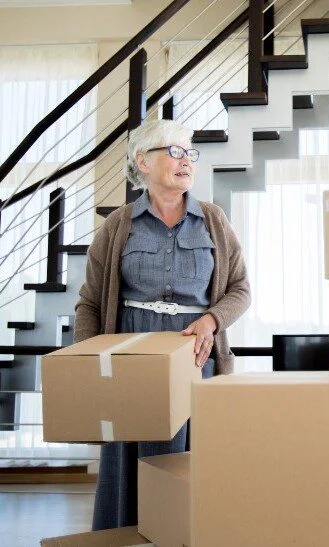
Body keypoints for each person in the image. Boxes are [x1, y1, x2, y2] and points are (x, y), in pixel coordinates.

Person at [74, 118, 251, 530]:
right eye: (173, 151)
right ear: (143, 162)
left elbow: (240, 288)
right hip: (129, 360)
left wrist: (212, 320)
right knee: (128, 464)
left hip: (194, 357)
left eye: (189, 152)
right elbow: (89, 303)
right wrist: (89, 363)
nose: (185, 160)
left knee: (184, 464)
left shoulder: (213, 220)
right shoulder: (118, 225)